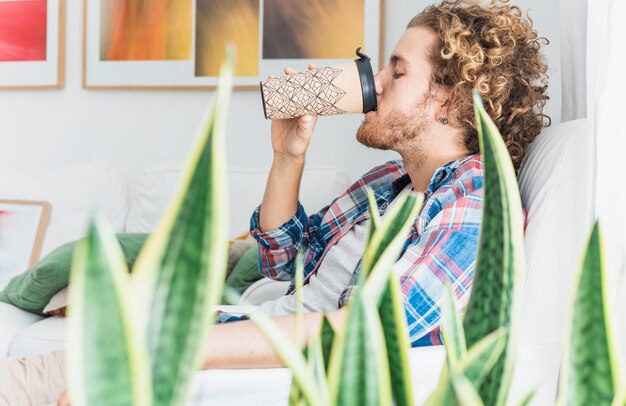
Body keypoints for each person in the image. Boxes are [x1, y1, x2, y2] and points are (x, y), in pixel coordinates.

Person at [0, 0, 549, 404]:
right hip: (219, 328)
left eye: (397, 70)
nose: (375, 82)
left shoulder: (474, 201)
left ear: (451, 98)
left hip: (223, 360)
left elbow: (375, 326)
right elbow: (282, 264)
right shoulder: (390, 182)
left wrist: (184, 348)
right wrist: (288, 157)